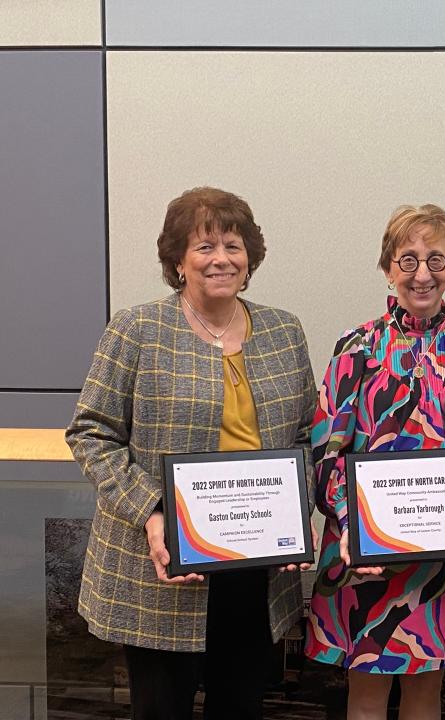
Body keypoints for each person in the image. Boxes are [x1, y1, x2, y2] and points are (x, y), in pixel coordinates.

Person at [65, 187, 318, 720]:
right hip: (161, 566)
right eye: (204, 247)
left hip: (256, 566)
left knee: (241, 707)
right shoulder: (137, 330)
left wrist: (299, 511)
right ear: (177, 260)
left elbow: (304, 437)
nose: (221, 258)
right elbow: (91, 433)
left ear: (250, 257)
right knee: (162, 710)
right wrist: (153, 515)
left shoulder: (283, 331)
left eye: (233, 244)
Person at [306, 204, 445, 720]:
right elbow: (328, 449)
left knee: (426, 691)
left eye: (436, 260)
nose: (422, 274)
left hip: (439, 557)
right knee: (367, 693)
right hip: (363, 551)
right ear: (388, 267)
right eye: (409, 259)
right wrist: (351, 526)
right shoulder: (357, 345)